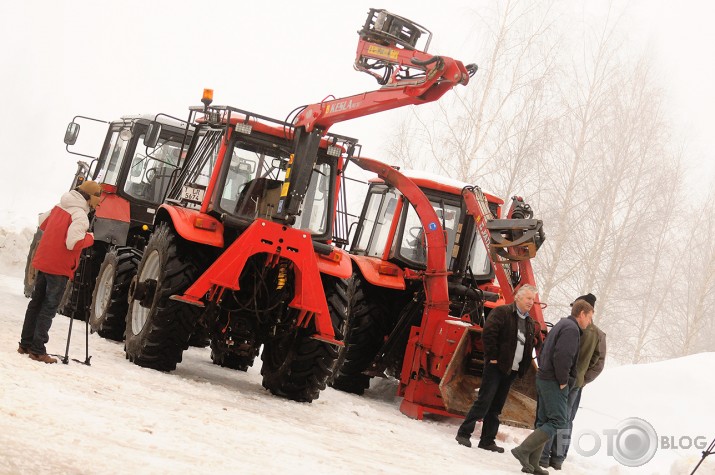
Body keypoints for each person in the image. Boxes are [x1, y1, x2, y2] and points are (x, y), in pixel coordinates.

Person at [18, 181, 100, 364]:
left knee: (35, 303)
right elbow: (72, 243)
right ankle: (38, 350)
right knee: (48, 308)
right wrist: (89, 238)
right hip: (59, 267)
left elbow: (42, 223)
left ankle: (25, 344)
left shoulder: (60, 205)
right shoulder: (80, 216)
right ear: (91, 198)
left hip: (45, 261)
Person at [511, 299, 593, 474]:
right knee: (558, 420)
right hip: (554, 381)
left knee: (544, 421)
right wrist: (564, 380)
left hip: (544, 377)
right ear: (582, 314)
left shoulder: (562, 324)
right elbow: (563, 356)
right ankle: (522, 451)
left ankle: (533, 463)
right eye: (589, 317)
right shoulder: (571, 330)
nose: (590, 322)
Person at [455, 284, 539, 453]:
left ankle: (487, 440)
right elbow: (488, 333)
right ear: (518, 297)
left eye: (533, 299)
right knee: (484, 401)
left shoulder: (530, 322)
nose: (531, 302)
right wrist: (492, 357)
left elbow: (532, 344)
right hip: (496, 367)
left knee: (497, 406)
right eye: (528, 298)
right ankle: (464, 433)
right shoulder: (502, 312)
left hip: (512, 370)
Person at [539, 293, 607, 470]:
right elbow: (598, 363)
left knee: (551, 418)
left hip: (560, 380)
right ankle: (558, 458)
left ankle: (544, 457)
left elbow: (554, 351)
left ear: (584, 310)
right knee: (566, 421)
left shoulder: (568, 326)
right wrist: (583, 379)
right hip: (576, 383)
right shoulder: (599, 334)